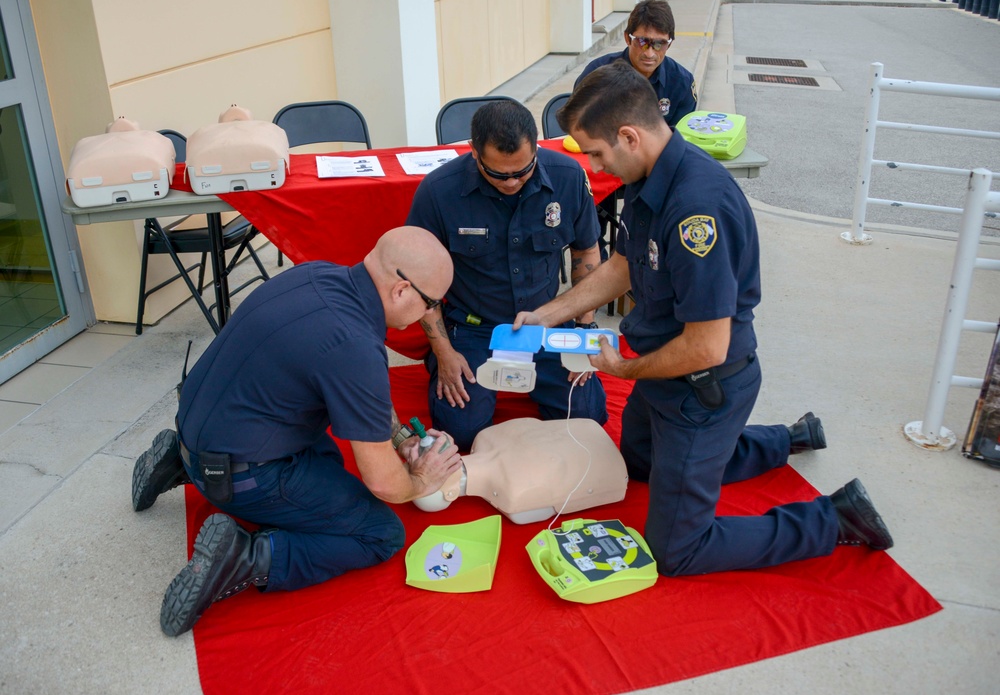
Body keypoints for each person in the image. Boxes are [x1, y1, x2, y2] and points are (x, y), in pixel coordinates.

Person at [513, 60, 894, 577]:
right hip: (662, 367)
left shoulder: (697, 208)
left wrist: (623, 371)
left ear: (628, 136)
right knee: (640, 460)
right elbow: (624, 264)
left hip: (701, 383)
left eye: (598, 154)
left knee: (675, 551)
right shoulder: (648, 175)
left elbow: (707, 347)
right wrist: (548, 314)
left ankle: (836, 517)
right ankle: (788, 438)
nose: (596, 168)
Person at [131, 227, 463, 636]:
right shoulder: (355, 344)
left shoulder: (316, 275)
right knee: (381, 533)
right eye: (430, 305)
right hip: (233, 473)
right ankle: (247, 556)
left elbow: (363, 394)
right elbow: (383, 483)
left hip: (196, 427)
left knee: (327, 459)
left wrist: (400, 438)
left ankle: (174, 461)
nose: (429, 315)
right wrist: (421, 479)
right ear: (401, 290)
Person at [405, 99, 607, 451]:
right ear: (473, 152)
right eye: (498, 173)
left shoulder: (568, 177)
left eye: (523, 170)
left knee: (587, 418)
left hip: (548, 324)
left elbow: (587, 252)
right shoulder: (439, 192)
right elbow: (418, 282)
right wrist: (445, 352)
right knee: (460, 433)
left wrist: (584, 330)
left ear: (536, 147)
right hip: (473, 328)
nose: (512, 182)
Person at [575, 0, 697, 127]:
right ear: (628, 38)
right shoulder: (595, 76)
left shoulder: (682, 83)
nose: (650, 54)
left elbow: (681, 139)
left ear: (670, 44)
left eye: (659, 44)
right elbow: (578, 126)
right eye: (642, 42)